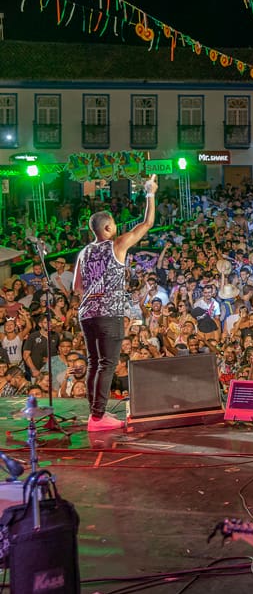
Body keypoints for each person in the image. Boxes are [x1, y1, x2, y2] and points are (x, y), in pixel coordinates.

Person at [74, 174, 157, 432]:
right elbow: (147, 223)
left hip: (86, 312)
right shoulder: (117, 245)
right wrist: (150, 193)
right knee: (108, 364)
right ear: (108, 228)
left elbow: (77, 287)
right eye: (114, 225)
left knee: (93, 362)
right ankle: (98, 418)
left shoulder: (83, 252)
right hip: (108, 312)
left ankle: (94, 414)